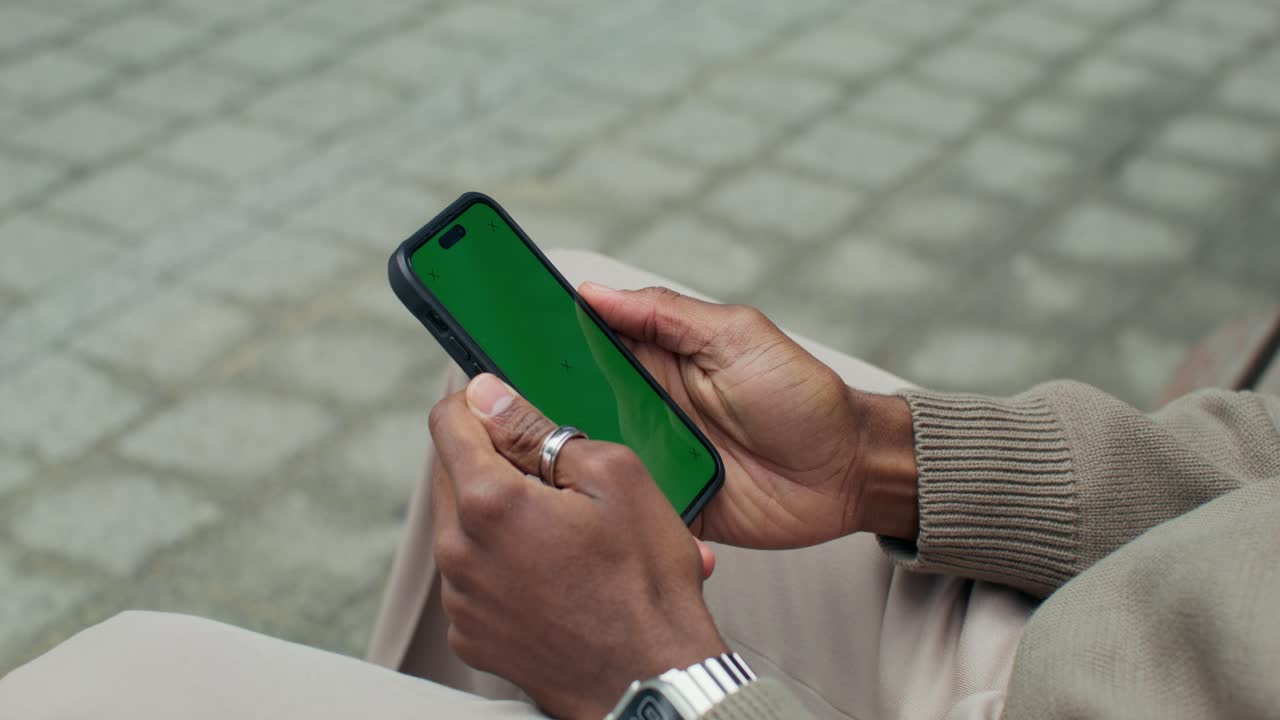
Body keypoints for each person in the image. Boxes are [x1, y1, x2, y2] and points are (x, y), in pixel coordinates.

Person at [2, 249, 1278, 720]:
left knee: (97, 687)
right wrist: (882, 457)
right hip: (1129, 617)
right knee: (561, 309)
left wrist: (660, 680)